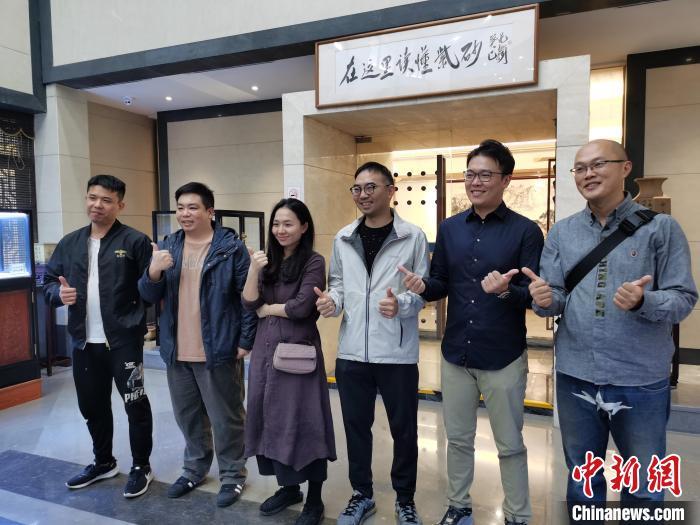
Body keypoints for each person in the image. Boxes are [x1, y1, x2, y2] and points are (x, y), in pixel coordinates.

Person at [526, 139, 698, 519]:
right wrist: (542, 298)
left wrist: (644, 301)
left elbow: (684, 298)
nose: (588, 174)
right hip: (575, 375)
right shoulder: (562, 233)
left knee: (643, 485)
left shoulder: (661, 229)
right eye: (580, 168)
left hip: (639, 378)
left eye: (599, 164)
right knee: (583, 480)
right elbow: (556, 298)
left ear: (625, 168)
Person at [401, 139, 542, 525]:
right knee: (458, 440)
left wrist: (506, 291)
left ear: (506, 180)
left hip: (503, 355)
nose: (475, 182)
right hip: (456, 354)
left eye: (485, 175)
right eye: (470, 174)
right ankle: (458, 506)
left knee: (509, 444)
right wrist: (422, 287)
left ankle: (517, 515)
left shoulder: (526, 231)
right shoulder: (450, 229)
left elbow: (534, 295)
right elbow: (441, 283)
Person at [315, 161, 429, 525]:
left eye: (371, 187)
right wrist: (332, 302)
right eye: (357, 188)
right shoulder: (343, 237)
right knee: (355, 427)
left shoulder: (412, 237)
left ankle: (405, 499)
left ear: (391, 191)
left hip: (396, 353)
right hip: (352, 352)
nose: (363, 195)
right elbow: (338, 283)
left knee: (404, 430)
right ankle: (361, 494)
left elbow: (421, 290)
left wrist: (403, 304)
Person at [137, 182, 255, 508]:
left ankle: (232, 475)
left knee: (226, 418)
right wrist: (153, 272)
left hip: (218, 349)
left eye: (193, 207)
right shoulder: (168, 246)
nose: (185, 214)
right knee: (188, 417)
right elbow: (148, 295)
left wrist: (246, 340)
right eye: (180, 208)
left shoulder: (230, 249)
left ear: (210, 211)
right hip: (177, 351)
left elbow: (248, 298)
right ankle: (195, 469)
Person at [44, 174, 154, 498]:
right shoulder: (70, 242)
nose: (97, 205)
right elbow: (48, 282)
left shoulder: (134, 241)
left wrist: (138, 319)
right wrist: (57, 294)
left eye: (106, 200)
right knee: (92, 406)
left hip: (123, 343)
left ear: (120, 205)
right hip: (83, 342)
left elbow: (150, 288)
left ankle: (141, 466)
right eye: (92, 197)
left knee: (135, 403)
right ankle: (103, 462)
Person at [242, 198, 336, 525]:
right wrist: (253, 269)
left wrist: (268, 309)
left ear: (304, 227)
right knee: (270, 419)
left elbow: (301, 307)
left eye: (288, 224)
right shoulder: (266, 261)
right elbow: (249, 302)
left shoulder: (314, 261)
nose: (280, 230)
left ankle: (315, 499)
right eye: (276, 224)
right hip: (265, 355)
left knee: (306, 421)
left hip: (298, 354)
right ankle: (289, 488)